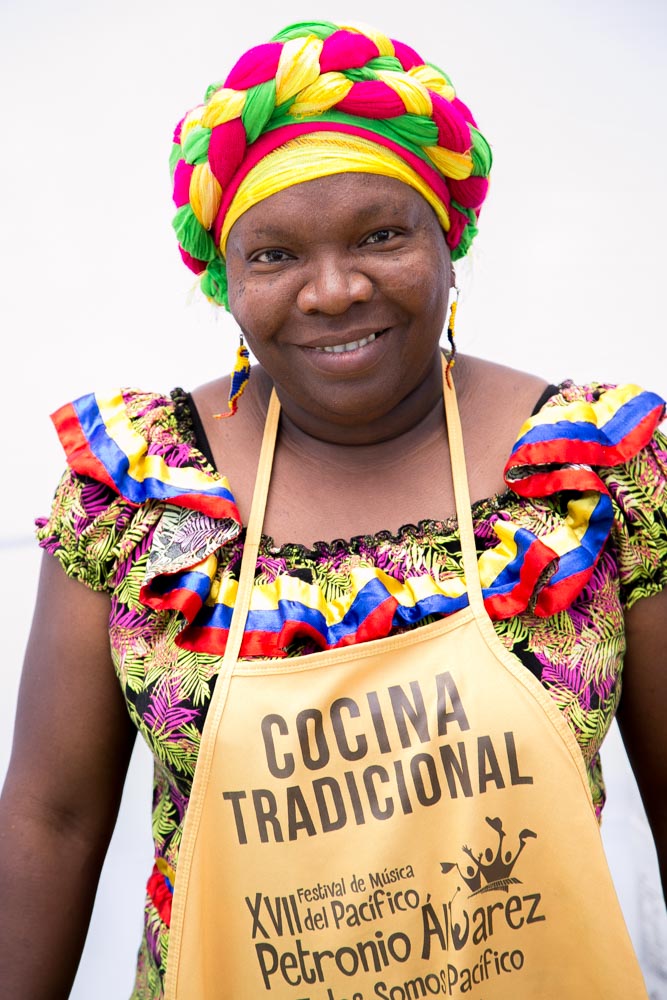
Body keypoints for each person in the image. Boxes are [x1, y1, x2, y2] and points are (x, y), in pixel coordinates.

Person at [1, 17, 665, 999]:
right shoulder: (138, 489)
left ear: (449, 240)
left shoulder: (594, 472)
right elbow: (49, 821)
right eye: (274, 255)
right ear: (226, 280)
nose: (333, 290)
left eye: (380, 235)